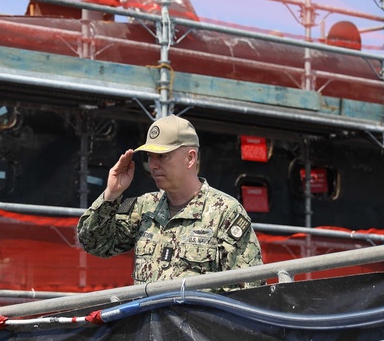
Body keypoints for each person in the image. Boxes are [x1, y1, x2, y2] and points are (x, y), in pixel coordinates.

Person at [77, 114, 263, 287]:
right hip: (147, 320)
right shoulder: (145, 207)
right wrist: (112, 194)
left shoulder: (225, 212)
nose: (153, 165)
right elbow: (95, 244)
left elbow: (249, 289)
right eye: (150, 156)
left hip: (196, 322)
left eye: (163, 156)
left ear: (190, 158)